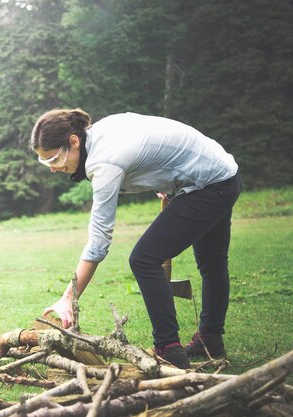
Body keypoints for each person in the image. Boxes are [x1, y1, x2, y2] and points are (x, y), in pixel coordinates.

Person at [30, 109, 242, 369]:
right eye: (44, 162)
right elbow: (150, 146)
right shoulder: (99, 134)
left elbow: (99, 241)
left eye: (53, 158)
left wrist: (68, 297)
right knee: (212, 264)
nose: (52, 169)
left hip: (209, 183)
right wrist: (169, 180)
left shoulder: (104, 161)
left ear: (74, 142)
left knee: (144, 259)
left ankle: (169, 349)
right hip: (222, 173)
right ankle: (210, 339)